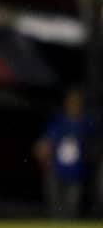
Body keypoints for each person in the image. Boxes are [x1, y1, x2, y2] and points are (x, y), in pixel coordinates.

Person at [34, 88, 95, 219]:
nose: (74, 105)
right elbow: (45, 144)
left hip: (76, 173)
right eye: (72, 102)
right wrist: (43, 150)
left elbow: (92, 146)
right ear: (67, 103)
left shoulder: (86, 124)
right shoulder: (59, 123)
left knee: (72, 208)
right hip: (56, 171)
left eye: (77, 102)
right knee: (55, 208)